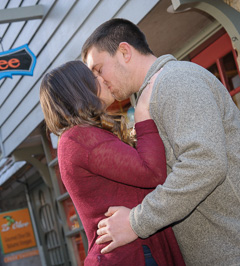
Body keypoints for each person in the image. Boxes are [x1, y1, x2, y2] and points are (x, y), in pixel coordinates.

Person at [81, 18, 240, 266]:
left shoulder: (175, 81)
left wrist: (136, 222)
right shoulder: (152, 94)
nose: (97, 81)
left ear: (124, 52)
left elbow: (204, 163)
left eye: (98, 70)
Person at [39, 60, 185, 265]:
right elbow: (152, 172)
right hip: (133, 255)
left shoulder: (79, 137)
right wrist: (143, 116)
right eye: (93, 76)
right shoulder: (80, 138)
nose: (102, 79)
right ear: (80, 90)